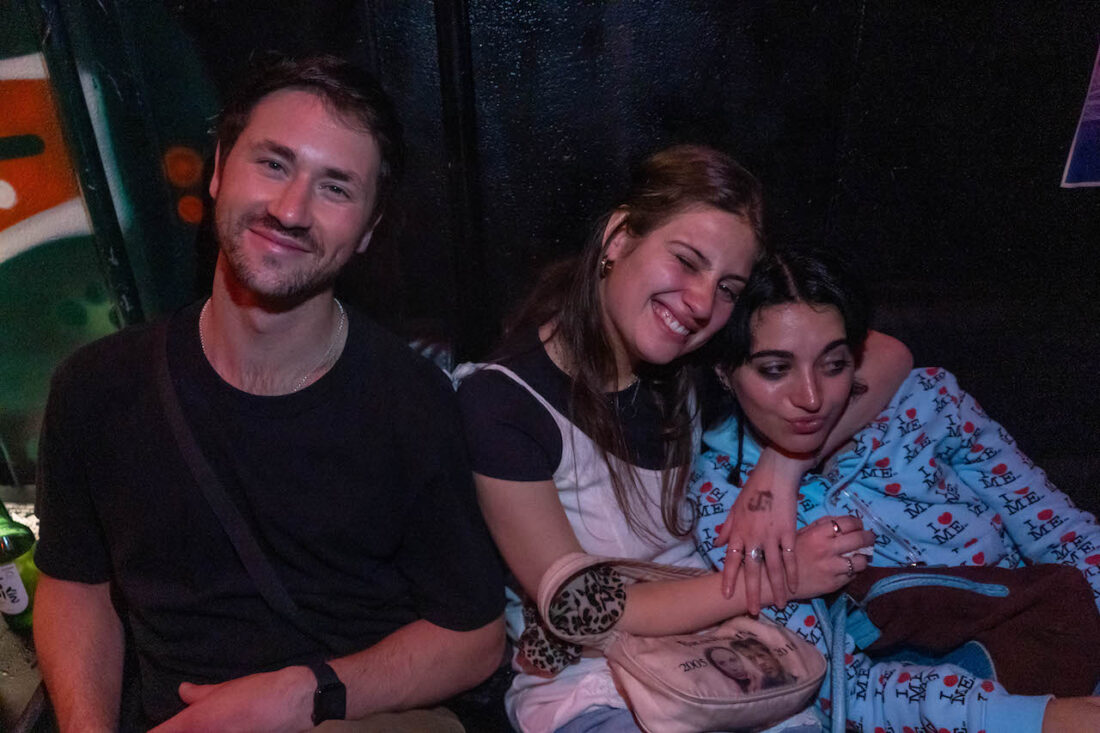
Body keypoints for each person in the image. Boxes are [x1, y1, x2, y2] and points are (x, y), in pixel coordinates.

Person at [33, 55, 505, 732]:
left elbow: (475, 637)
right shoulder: (97, 388)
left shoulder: (410, 402)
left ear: (368, 230)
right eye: (274, 163)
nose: (290, 210)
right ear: (220, 170)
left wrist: (301, 695)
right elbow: (75, 585)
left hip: (352, 711)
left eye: (336, 187)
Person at [455, 145, 910, 733]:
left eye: (728, 289)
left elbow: (889, 356)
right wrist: (786, 575)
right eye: (687, 261)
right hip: (592, 687)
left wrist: (781, 468)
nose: (701, 303)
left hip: (724, 668)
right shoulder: (504, 403)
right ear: (619, 238)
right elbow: (581, 608)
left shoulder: (689, 370)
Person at [692, 247, 1100, 733]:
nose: (812, 398)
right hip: (951, 713)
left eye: (834, 363)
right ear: (724, 372)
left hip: (1058, 636)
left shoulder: (925, 403)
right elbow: (835, 684)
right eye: (776, 369)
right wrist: (1033, 718)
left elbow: (1062, 534)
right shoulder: (721, 500)